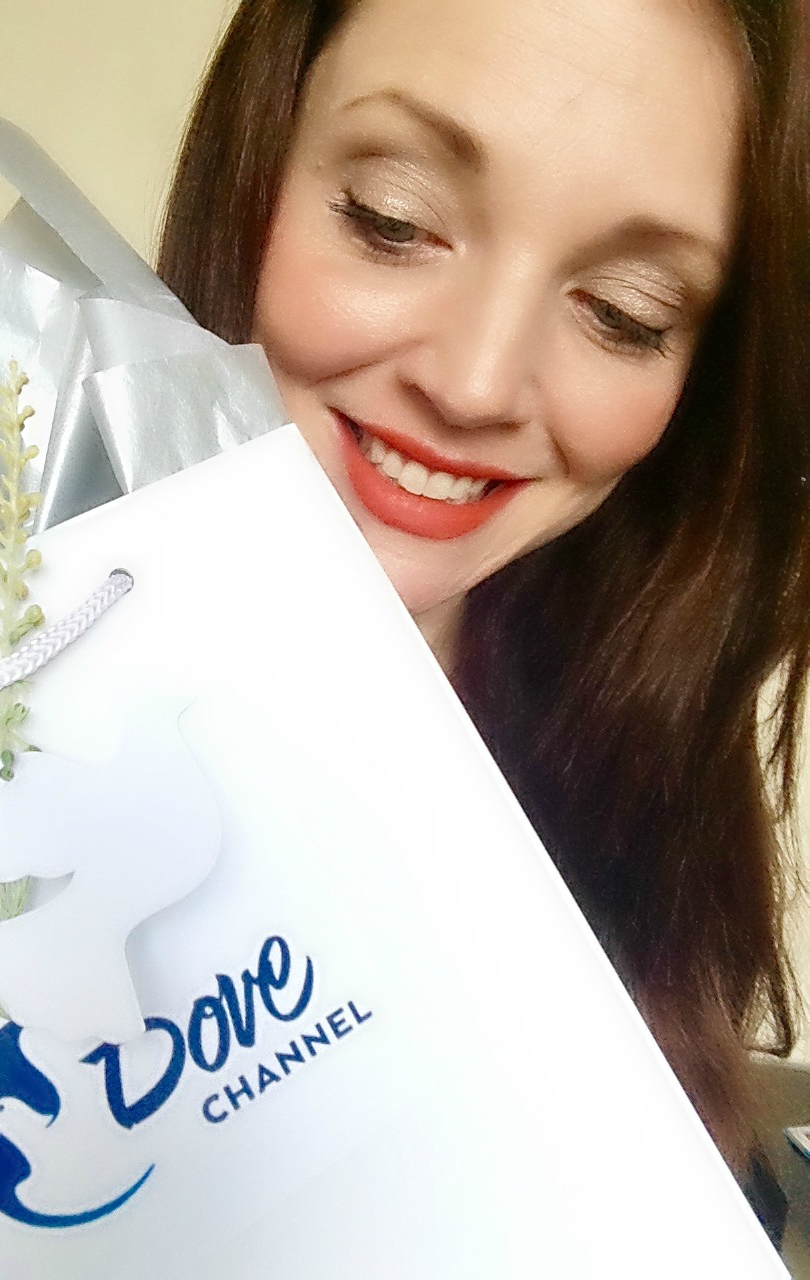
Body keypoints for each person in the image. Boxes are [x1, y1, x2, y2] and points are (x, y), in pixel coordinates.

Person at [158, 0, 810, 1232]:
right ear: (256, 163)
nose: (472, 385)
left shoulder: (641, 777)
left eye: (623, 311)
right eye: (392, 221)